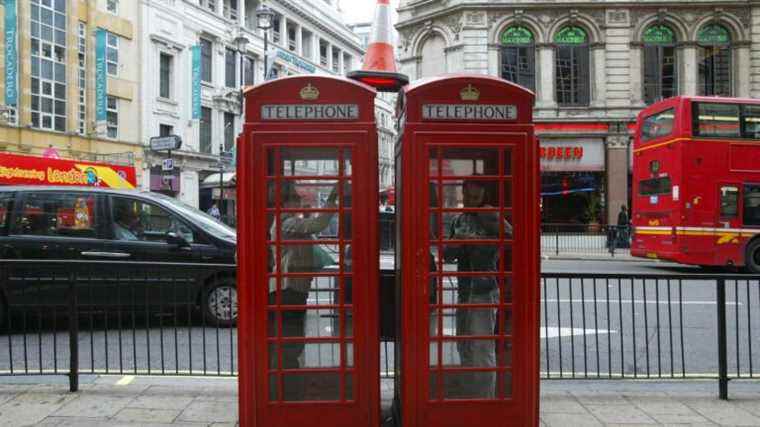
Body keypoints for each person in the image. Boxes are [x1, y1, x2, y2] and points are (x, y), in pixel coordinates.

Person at [269, 181, 339, 400]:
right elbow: (318, 225)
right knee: (291, 343)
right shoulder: (286, 222)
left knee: (292, 342)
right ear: (285, 202)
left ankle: (287, 388)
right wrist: (332, 198)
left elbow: (309, 231)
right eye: (295, 199)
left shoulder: (288, 222)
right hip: (288, 289)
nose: (298, 202)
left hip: (294, 288)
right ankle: (286, 391)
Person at [442, 179, 508, 399]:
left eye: (476, 197)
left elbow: (511, 238)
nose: (471, 201)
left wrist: (476, 240)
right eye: (468, 196)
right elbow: (447, 254)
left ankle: (485, 399)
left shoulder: (490, 215)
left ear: (483, 196)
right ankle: (469, 394)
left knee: (482, 347)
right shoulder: (458, 219)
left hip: (484, 289)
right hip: (464, 291)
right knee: (465, 344)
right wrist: (455, 244)